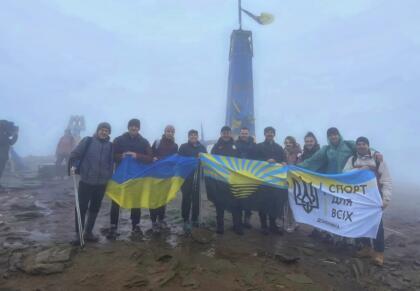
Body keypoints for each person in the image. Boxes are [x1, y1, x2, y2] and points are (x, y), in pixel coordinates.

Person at [343, 137, 392, 266]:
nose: (361, 146)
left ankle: (379, 253)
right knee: (360, 222)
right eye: (358, 144)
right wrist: (359, 170)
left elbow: (386, 180)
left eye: (363, 144)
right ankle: (366, 248)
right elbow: (344, 174)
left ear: (368, 146)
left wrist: (386, 198)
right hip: (358, 196)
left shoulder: (377, 159)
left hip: (374, 197)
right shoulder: (352, 159)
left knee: (377, 225)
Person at [108, 119, 153, 238]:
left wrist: (136, 155)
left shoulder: (144, 142)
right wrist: (121, 156)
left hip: (136, 177)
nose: (134, 128)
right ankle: (113, 226)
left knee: (136, 202)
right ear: (128, 127)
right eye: (132, 126)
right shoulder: (118, 140)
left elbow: (150, 158)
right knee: (116, 201)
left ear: (139, 128)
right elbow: (111, 155)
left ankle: (135, 226)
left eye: (136, 126)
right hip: (120, 176)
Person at [69, 122, 113, 243]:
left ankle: (88, 233)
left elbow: (111, 162)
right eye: (102, 130)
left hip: (101, 183)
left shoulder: (110, 146)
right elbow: (75, 154)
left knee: (95, 208)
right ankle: (79, 235)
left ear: (109, 133)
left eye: (106, 131)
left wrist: (109, 175)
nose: (104, 132)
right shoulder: (88, 141)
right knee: (81, 208)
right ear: (98, 130)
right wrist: (73, 166)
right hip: (86, 181)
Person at [298, 127, 382, 174]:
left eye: (335, 134)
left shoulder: (349, 144)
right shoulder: (326, 149)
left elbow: (363, 149)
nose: (333, 137)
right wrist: (295, 167)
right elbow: (311, 161)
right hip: (331, 181)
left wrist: (376, 153)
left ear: (339, 135)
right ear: (328, 137)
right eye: (330, 135)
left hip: (347, 179)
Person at [210, 126, 243, 235]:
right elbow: (211, 160)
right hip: (220, 180)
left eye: (228, 132)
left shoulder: (236, 146)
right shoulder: (216, 147)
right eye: (224, 132)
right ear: (221, 133)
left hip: (234, 180)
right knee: (220, 203)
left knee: (236, 203)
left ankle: (237, 226)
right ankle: (220, 226)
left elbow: (241, 161)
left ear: (231, 133)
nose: (226, 134)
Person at [254, 126, 286, 235]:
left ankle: (273, 225)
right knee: (262, 203)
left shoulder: (279, 148)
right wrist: (265, 161)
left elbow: (283, 160)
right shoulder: (258, 147)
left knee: (274, 204)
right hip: (262, 180)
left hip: (275, 182)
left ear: (274, 134)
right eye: (268, 132)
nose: (270, 134)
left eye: (272, 132)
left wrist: (283, 163)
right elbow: (253, 161)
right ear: (264, 134)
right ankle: (263, 226)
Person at [149, 125, 178, 233]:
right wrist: (153, 158)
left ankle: (161, 220)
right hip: (155, 175)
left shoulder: (175, 146)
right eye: (167, 131)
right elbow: (151, 155)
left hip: (167, 176)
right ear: (164, 132)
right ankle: (153, 221)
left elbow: (174, 160)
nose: (169, 133)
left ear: (173, 133)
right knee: (154, 199)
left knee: (163, 200)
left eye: (171, 131)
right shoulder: (157, 142)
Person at [178, 129, 207, 233]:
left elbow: (206, 161)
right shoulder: (183, 147)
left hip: (198, 177)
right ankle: (185, 219)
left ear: (197, 136)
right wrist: (193, 159)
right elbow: (180, 160)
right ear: (188, 136)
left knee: (196, 198)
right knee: (186, 198)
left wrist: (202, 157)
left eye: (195, 135)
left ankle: (195, 218)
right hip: (186, 177)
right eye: (191, 135)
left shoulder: (202, 147)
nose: (193, 137)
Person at [234, 127, 256, 229]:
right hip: (238, 174)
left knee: (249, 197)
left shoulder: (254, 144)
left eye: (246, 133)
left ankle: (247, 219)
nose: (244, 135)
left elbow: (258, 156)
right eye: (242, 133)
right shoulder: (235, 144)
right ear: (240, 134)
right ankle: (238, 219)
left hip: (250, 174)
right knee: (238, 197)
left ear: (248, 134)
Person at [283, 136, 302, 233]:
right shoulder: (283, 152)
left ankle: (293, 223)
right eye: (286, 142)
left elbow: (299, 166)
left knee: (292, 204)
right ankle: (287, 222)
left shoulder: (298, 153)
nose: (288, 144)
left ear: (293, 143)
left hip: (295, 182)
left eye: (290, 142)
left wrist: (289, 167)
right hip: (285, 181)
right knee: (286, 203)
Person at [0, 120, 18, 190]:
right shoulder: (2, 134)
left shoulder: (2, 134)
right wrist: (15, 135)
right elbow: (10, 142)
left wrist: (9, 134)